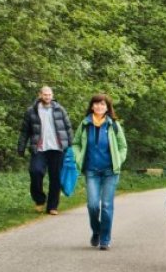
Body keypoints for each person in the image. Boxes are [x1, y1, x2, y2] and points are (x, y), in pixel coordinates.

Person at [72, 93, 128, 250]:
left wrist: (119, 158)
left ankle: (105, 239)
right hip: (91, 171)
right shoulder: (84, 124)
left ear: (107, 107)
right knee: (93, 205)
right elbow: (75, 143)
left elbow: (123, 146)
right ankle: (96, 231)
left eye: (102, 104)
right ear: (92, 106)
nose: (99, 107)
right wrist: (77, 157)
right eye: (96, 104)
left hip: (110, 171)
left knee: (107, 205)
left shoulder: (114, 125)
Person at [17, 86, 73, 215]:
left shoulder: (60, 109)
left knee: (56, 178)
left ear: (52, 95)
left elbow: (68, 128)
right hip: (40, 148)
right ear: (40, 95)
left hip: (58, 149)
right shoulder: (31, 111)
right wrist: (21, 147)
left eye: (49, 95)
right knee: (35, 171)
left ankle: (52, 206)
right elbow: (24, 131)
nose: (47, 97)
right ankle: (39, 200)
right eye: (45, 94)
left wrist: (70, 146)